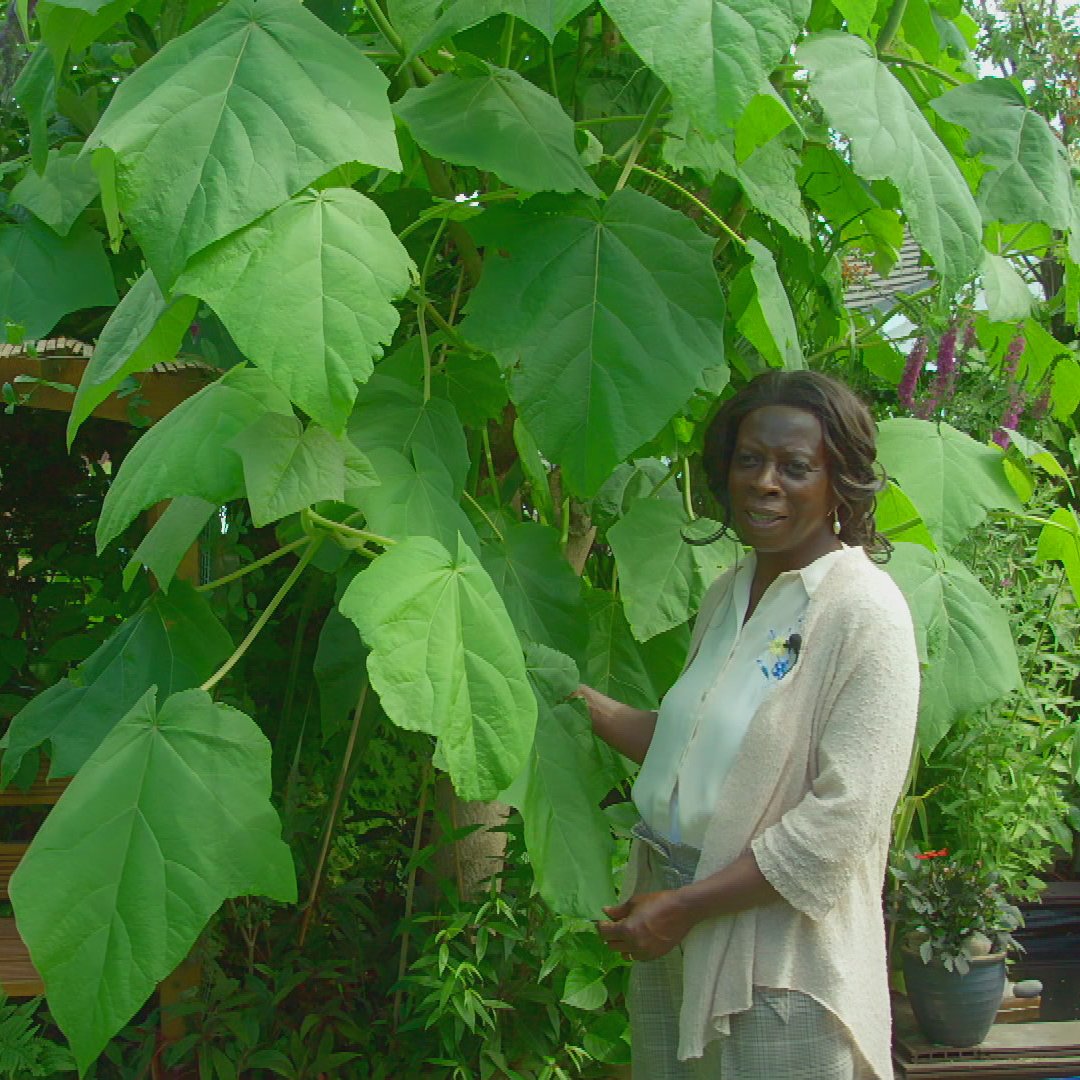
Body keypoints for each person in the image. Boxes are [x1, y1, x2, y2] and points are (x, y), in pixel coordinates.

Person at [576, 370, 920, 1080]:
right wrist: (576, 702)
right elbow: (697, 748)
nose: (766, 482)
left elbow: (844, 823)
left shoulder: (863, 612)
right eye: (748, 459)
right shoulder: (732, 592)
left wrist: (688, 905)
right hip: (672, 916)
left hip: (779, 958)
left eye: (796, 467)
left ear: (841, 483)